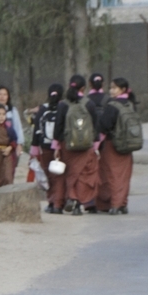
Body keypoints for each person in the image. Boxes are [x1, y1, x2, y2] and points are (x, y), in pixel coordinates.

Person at [53, 75, 100, 216]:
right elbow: (95, 125)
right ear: (83, 88)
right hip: (86, 146)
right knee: (82, 175)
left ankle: (72, 198)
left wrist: (57, 147)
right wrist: (96, 146)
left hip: (67, 145)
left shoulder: (63, 104)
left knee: (71, 174)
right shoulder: (89, 104)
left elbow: (58, 127)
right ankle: (78, 204)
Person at [96, 77, 138, 215]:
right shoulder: (131, 105)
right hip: (128, 145)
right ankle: (122, 204)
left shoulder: (112, 106)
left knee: (111, 175)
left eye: (114, 88)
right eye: (111, 88)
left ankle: (113, 204)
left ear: (123, 89)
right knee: (124, 175)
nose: (111, 91)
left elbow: (104, 125)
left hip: (112, 145)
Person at [30, 84, 66, 213]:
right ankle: (59, 203)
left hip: (45, 146)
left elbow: (36, 129)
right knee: (60, 176)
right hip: (61, 147)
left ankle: (51, 202)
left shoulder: (43, 109)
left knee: (48, 175)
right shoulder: (64, 107)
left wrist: (34, 148)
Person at [0, 86, 25, 180]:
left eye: (5, 94)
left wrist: (19, 144)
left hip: (10, 147)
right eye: (0, 94)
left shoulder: (12, 111)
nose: (2, 97)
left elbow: (18, 128)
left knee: (8, 173)